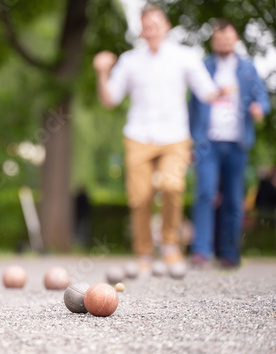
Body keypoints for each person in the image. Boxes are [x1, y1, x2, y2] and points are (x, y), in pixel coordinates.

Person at [93, 4, 223, 271]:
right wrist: (102, 72)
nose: (150, 29)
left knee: (173, 186)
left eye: (155, 23)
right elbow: (109, 100)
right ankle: (143, 252)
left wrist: (226, 92)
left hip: (175, 137)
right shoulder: (130, 60)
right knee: (139, 197)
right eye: (145, 25)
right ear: (141, 31)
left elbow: (207, 90)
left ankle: (170, 244)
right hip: (138, 136)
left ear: (166, 26)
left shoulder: (185, 57)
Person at [189, 19, 271, 268]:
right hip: (208, 144)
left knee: (234, 199)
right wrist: (191, 141)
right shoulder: (203, 67)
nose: (223, 42)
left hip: (237, 143)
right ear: (213, 41)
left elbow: (262, 98)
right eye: (218, 38)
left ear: (235, 40)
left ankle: (229, 253)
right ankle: (201, 251)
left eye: (227, 38)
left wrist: (260, 109)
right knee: (205, 193)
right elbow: (192, 108)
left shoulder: (248, 69)